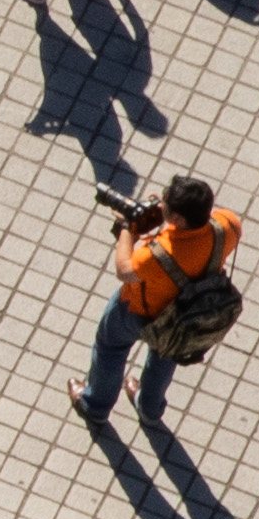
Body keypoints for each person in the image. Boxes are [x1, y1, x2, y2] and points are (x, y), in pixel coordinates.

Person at [80, 178, 241, 424]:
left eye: (165, 204)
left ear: (178, 220)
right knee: (165, 357)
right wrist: (165, 215)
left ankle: (95, 406)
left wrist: (127, 227)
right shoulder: (228, 225)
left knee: (110, 349)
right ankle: (150, 409)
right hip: (183, 319)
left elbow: (124, 269)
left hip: (137, 312)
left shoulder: (154, 256)